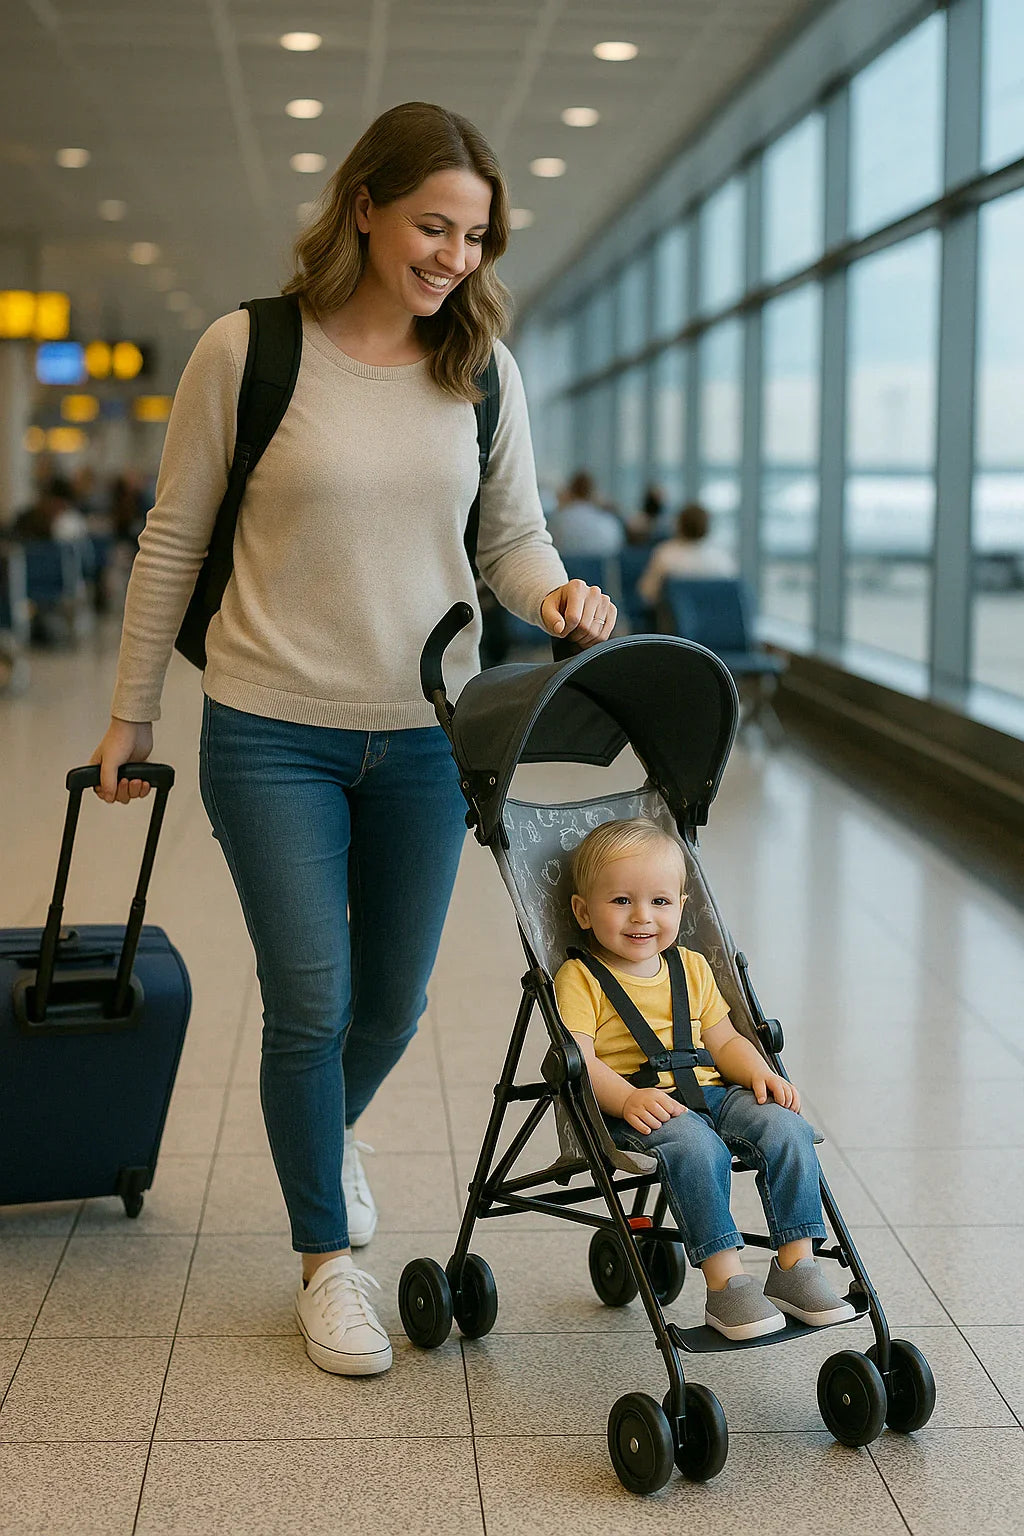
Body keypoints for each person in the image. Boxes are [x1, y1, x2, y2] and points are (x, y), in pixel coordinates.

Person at [90, 101, 616, 1379]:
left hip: (429, 735)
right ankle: (329, 1264)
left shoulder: (482, 368)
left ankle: (326, 1133)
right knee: (310, 997)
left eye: (477, 235)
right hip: (271, 728)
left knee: (391, 999)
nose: (454, 256)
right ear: (365, 207)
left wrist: (552, 593)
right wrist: (130, 709)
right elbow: (172, 534)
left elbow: (509, 537)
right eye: (433, 224)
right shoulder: (249, 349)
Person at [554, 819, 855, 1341]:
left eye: (661, 902)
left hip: (714, 1090)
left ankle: (796, 1264)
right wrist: (626, 1097)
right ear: (583, 911)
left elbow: (725, 1040)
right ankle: (726, 1283)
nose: (643, 917)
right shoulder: (579, 977)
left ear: (682, 905)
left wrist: (759, 1071)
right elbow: (579, 1060)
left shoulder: (692, 967)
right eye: (621, 901)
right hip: (642, 1107)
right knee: (697, 1148)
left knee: (787, 1128)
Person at [636, 500, 734, 608]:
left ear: (679, 525)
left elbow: (647, 592)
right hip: (717, 618)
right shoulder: (721, 560)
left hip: (676, 621)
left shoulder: (666, 554)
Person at [547, 470, 624, 557]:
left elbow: (550, 547)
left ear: (570, 491)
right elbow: (614, 549)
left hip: (566, 568)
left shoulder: (559, 521)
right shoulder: (608, 523)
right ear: (593, 492)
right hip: (598, 569)